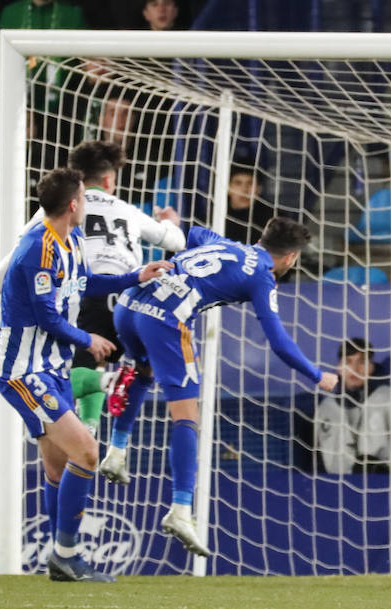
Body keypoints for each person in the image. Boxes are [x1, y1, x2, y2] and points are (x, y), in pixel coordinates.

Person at [105, 217, 339, 556]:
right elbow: (279, 342)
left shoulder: (228, 244)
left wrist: (172, 220)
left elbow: (193, 232)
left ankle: (116, 450)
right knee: (187, 418)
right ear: (290, 257)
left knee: (143, 371)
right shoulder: (262, 276)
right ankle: (182, 511)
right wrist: (318, 375)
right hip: (164, 320)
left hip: (128, 304)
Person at [0, 167, 171, 582]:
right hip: (24, 370)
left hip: (52, 368)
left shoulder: (70, 239)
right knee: (88, 452)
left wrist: (133, 277)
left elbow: (82, 283)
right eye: (83, 199)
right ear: (74, 204)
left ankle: (60, 557)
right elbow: (46, 315)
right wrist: (87, 339)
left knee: (58, 468)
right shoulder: (37, 249)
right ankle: (67, 556)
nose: (86, 204)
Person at [0, 140, 187, 441]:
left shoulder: (61, 221)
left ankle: (106, 387)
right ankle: (103, 432)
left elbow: (12, 262)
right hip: (129, 301)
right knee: (97, 367)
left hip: (83, 303)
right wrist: (169, 223)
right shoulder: (124, 211)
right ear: (107, 180)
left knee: (67, 379)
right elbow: (176, 242)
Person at [315, 338, 391, 474]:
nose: (354, 369)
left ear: (372, 367)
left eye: (362, 362)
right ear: (339, 368)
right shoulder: (326, 407)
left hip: (384, 484)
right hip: (336, 487)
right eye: (347, 362)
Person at [0, 0, 88, 99]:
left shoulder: (72, 14)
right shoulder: (12, 13)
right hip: (17, 106)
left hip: (62, 110)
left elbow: (88, 70)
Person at [224, 166, 275, 245]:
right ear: (228, 188)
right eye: (238, 183)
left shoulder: (272, 218)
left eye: (250, 183)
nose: (244, 190)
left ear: (259, 188)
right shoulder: (216, 216)